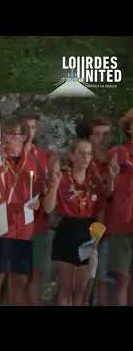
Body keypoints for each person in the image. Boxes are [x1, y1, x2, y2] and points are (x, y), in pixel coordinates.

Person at [43, 139, 112, 306]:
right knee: (66, 287)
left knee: (80, 289)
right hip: (66, 230)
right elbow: (47, 208)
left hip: (88, 232)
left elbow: (101, 211)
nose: (86, 157)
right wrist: (54, 185)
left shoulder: (94, 181)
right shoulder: (63, 178)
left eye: (89, 154)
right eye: (82, 153)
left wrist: (96, 239)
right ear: (72, 156)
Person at [0, 117, 42, 306]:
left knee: (20, 280)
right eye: (5, 133)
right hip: (0, 226)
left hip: (23, 229)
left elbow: (39, 192)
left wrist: (37, 202)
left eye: (13, 133)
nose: (8, 137)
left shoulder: (32, 161)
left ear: (24, 137)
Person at [21, 114, 51, 306]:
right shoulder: (9, 154)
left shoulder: (43, 156)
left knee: (37, 273)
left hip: (38, 224)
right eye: (25, 127)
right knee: (18, 276)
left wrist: (43, 196)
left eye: (33, 127)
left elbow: (46, 187)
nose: (29, 131)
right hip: (15, 224)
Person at [86, 119, 114, 306]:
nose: (102, 138)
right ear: (90, 137)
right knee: (84, 280)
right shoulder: (84, 160)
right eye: (97, 134)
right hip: (86, 224)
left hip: (111, 227)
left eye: (106, 134)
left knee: (104, 278)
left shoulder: (119, 160)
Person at [106, 111, 133, 306]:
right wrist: (113, 177)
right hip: (122, 221)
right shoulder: (118, 152)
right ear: (129, 128)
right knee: (122, 279)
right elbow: (108, 191)